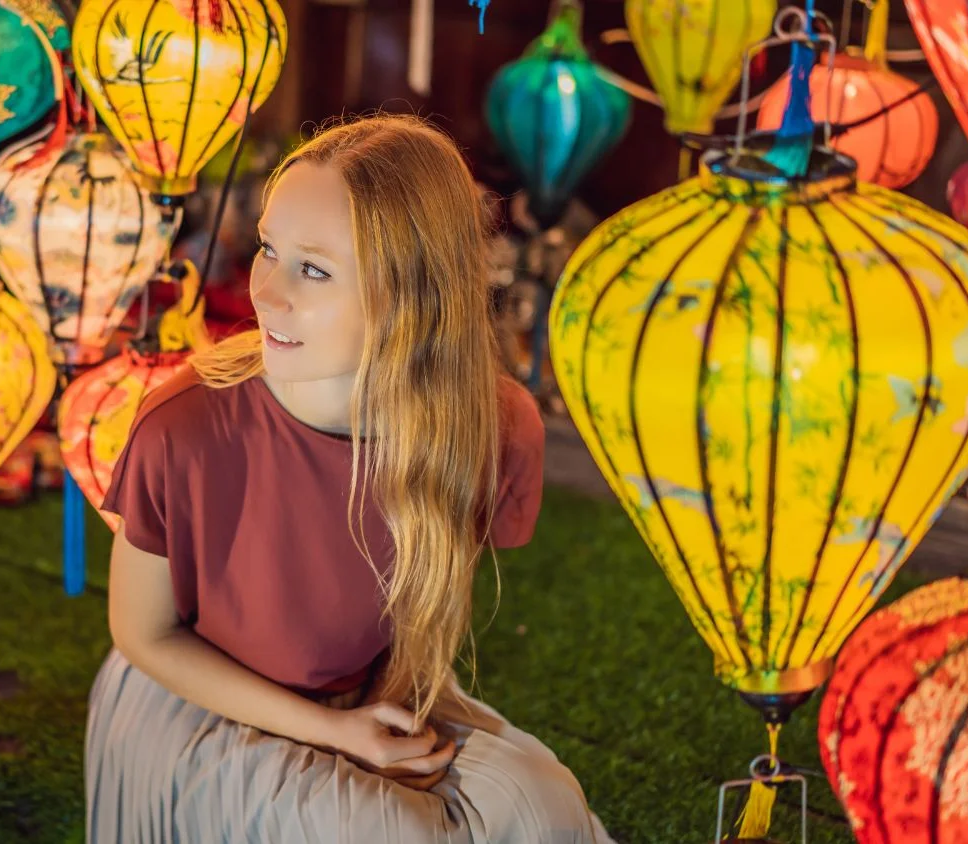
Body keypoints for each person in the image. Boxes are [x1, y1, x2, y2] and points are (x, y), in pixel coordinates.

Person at [86, 113, 614, 843]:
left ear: (413, 295)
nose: (265, 293)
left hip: (372, 696)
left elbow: (410, 636)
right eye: (270, 249)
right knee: (380, 832)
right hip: (201, 703)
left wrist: (373, 724)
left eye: (314, 268)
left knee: (544, 802)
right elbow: (143, 636)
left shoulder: (491, 423)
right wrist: (339, 737)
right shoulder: (185, 426)